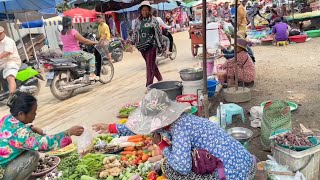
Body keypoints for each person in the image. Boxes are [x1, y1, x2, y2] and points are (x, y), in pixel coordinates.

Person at [92, 89, 257, 180]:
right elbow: (140, 127)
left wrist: (162, 145)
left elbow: (183, 168)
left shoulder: (179, 129)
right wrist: (112, 128)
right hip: (245, 162)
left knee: (171, 169)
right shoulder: (180, 120)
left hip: (235, 174)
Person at [0, 92, 84, 179]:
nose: (35, 115)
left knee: (28, 150)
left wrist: (32, 128)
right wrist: (69, 132)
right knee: (32, 155)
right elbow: (44, 144)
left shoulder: (7, 118)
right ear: (21, 114)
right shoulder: (21, 134)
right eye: (33, 113)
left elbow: (14, 133)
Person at [132, 1, 164, 87]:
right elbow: (135, 32)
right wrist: (132, 42)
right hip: (142, 46)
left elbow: (158, 33)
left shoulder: (154, 20)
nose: (145, 12)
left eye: (146, 10)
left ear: (149, 10)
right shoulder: (138, 21)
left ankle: (149, 85)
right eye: (143, 10)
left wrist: (161, 45)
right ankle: (160, 78)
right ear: (140, 11)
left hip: (152, 45)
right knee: (150, 63)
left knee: (149, 65)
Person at [60, 16, 98, 81]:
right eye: (72, 21)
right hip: (75, 53)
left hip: (65, 53)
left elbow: (69, 42)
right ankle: (92, 75)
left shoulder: (62, 33)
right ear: (69, 23)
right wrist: (94, 42)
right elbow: (84, 40)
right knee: (91, 57)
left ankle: (81, 75)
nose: (73, 22)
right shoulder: (73, 31)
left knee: (81, 62)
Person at [0, 26, 21, 95]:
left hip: (12, 62)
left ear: (3, 32)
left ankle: (12, 95)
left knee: (10, 77)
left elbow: (7, 52)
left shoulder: (8, 41)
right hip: (2, 64)